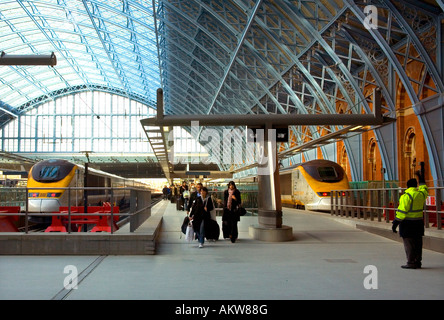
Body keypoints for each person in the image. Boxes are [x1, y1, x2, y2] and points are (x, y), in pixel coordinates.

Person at [392, 172, 428, 269]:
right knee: (418, 243)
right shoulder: (421, 194)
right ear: (416, 185)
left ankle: (411, 262)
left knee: (409, 244)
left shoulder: (406, 196)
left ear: (407, 186)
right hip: (419, 222)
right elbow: (424, 188)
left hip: (407, 223)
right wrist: (421, 179)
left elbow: (402, 211)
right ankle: (418, 262)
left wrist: (395, 223)